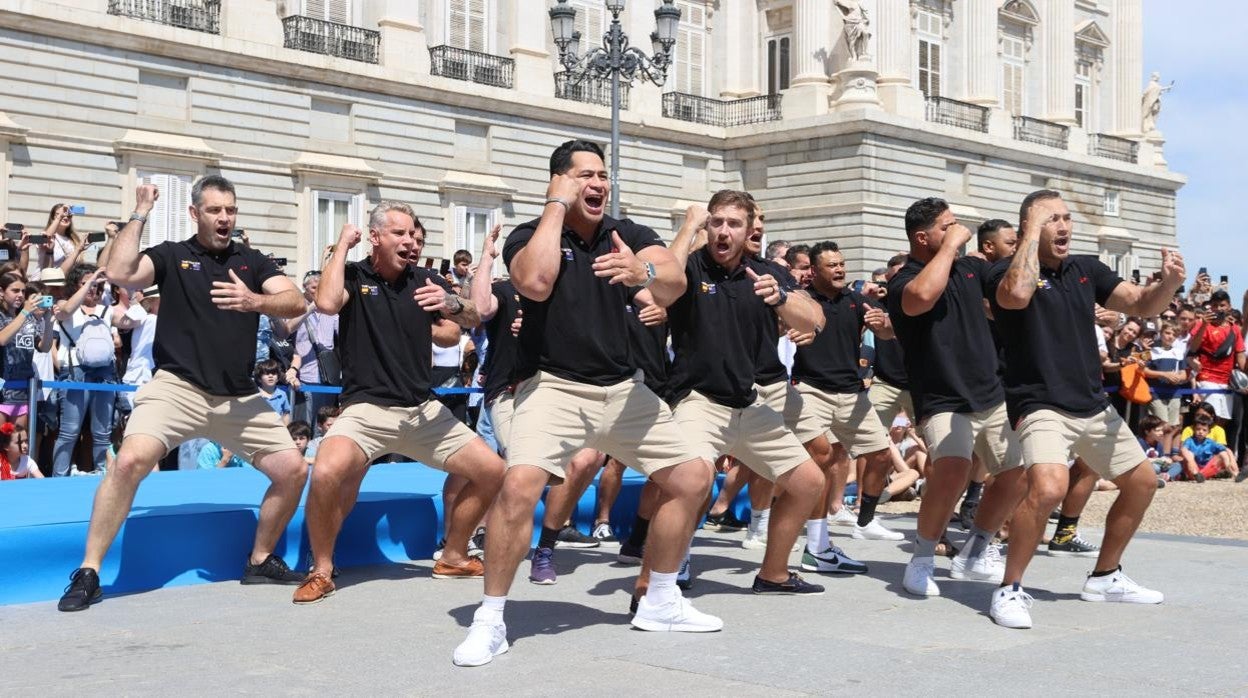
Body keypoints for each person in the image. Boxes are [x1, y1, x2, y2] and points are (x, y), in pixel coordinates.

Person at [454, 139, 719, 667]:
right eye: (585, 176)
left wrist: (642, 272)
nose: (599, 184)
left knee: (692, 476)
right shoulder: (533, 235)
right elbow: (535, 280)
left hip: (625, 390)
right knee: (519, 485)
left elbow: (672, 280)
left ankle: (661, 599)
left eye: (603, 175)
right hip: (552, 386)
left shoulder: (629, 234)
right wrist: (556, 205)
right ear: (560, 182)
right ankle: (490, 620)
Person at [58, 175, 310, 612]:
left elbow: (295, 302)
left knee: (293, 471)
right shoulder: (173, 254)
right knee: (129, 462)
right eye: (215, 210)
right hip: (177, 388)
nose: (225, 217)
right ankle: (89, 571)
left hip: (238, 397)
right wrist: (140, 212)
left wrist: (256, 302)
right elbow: (119, 272)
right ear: (195, 213)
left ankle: (260, 558)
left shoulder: (252, 261)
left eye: (230, 209)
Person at [986, 189, 1185, 629]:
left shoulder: (1085, 269)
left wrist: (1168, 283)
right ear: (1027, 228)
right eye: (1050, 219)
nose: (1063, 226)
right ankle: (1010, 588)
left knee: (1143, 482)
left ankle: (1105, 576)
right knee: (1050, 487)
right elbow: (1017, 295)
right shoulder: (1004, 270)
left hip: (1091, 403)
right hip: (1039, 402)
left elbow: (1139, 302)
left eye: (1066, 218)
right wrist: (1031, 230)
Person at [297, 206, 503, 606]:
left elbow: (468, 320)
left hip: (423, 411)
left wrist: (451, 304)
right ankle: (321, 569)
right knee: (324, 472)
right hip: (366, 411)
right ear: (375, 238)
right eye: (400, 234)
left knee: (493, 471)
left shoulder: (425, 278)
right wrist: (341, 246)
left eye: (413, 234)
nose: (410, 241)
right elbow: (325, 302)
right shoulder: (355, 275)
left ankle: (455, 555)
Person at [663, 192, 828, 594]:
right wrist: (689, 227)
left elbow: (815, 319)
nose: (723, 232)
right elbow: (660, 282)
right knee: (693, 478)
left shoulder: (765, 273)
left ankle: (773, 573)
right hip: (697, 400)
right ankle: (669, 571)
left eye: (733, 224)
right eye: (716, 222)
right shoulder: (689, 267)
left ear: (750, 229)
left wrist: (783, 298)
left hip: (749, 403)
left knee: (809, 481)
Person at [887, 197, 1027, 598]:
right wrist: (950, 247)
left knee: (1017, 473)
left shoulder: (971, 268)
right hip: (941, 397)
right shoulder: (904, 278)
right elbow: (920, 299)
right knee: (950, 471)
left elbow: (1009, 291)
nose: (958, 231)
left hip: (990, 392)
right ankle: (922, 558)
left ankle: (977, 549)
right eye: (947, 227)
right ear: (922, 237)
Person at [791, 242, 902, 544]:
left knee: (880, 456)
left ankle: (865, 523)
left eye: (841, 264)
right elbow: (781, 323)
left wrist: (883, 323)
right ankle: (815, 529)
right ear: (814, 271)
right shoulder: (801, 299)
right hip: (812, 390)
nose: (840, 269)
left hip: (853, 394)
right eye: (832, 265)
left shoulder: (856, 300)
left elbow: (888, 331)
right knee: (818, 458)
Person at [52, 264, 139, 476]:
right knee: (69, 431)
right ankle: (58, 478)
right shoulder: (66, 304)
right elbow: (64, 313)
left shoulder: (107, 310)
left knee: (102, 432)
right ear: (75, 285)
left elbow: (131, 321)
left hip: (105, 373)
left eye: (96, 284)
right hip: (74, 373)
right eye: (86, 284)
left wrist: (136, 298)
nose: (92, 288)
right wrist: (90, 282)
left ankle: (104, 474)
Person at [0, 273, 54, 429]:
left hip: (22, 391)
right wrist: (24, 313)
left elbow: (43, 347)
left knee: (18, 441)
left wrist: (49, 321)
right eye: (15, 290)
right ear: (2, 292)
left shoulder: (28, 318)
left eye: (23, 292)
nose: (20, 295)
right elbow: (2, 339)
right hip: (2, 390)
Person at [1186, 290, 1245, 425]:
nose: (1218, 308)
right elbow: (1193, 347)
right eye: (1215, 305)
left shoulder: (1234, 329)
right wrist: (1204, 325)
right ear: (1210, 307)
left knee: (1221, 422)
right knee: (1207, 419)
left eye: (1222, 305)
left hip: (1226, 381)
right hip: (1206, 378)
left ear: (1229, 306)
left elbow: (1240, 354)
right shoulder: (1202, 324)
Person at [1180, 414, 1238, 481]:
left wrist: (1232, 461)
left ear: (1208, 432)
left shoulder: (1210, 443)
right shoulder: (1189, 441)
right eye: (1198, 429)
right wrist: (1187, 454)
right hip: (1193, 470)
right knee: (1189, 453)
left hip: (1206, 470)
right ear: (1194, 429)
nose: (1201, 432)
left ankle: (1234, 473)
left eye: (1204, 430)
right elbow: (1183, 449)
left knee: (1223, 453)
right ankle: (1196, 474)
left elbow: (1225, 449)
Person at [254, 358, 291, 424]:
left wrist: (286, 429)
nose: (270, 376)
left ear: (278, 378)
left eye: (274, 373)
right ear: (259, 378)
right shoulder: (255, 395)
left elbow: (286, 414)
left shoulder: (282, 394)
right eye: (266, 373)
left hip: (277, 429)